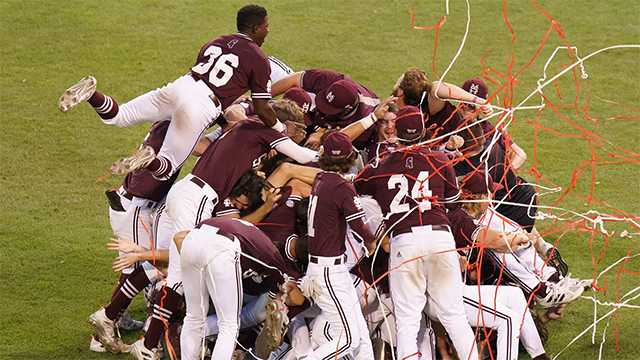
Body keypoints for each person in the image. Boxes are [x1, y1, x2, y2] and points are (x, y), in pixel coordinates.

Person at [58, 4, 285, 180]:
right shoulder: (259, 60)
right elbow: (262, 108)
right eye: (266, 26)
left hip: (180, 86)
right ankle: (148, 159)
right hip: (202, 104)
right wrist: (279, 128)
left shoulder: (216, 41)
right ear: (255, 28)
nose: (268, 30)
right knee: (166, 168)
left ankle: (91, 94)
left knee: (120, 116)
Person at [354, 106, 479, 360]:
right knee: (455, 317)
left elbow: (358, 185)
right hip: (440, 237)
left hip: (404, 241)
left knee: (408, 322)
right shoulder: (440, 160)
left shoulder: (382, 165)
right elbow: (453, 203)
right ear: (423, 130)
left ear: (396, 131)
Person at [174, 217, 304, 360]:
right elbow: (298, 298)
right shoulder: (273, 257)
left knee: (193, 317)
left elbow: (178, 237)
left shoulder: (256, 237)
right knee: (229, 325)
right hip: (224, 245)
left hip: (194, 237)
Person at [301, 131, 377, 359]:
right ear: (350, 158)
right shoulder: (340, 187)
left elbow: (338, 187)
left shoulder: (321, 180)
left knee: (361, 335)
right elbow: (359, 225)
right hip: (329, 271)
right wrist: (371, 242)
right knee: (349, 339)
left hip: (326, 268)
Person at [271, 69, 380, 149]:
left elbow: (339, 146)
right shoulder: (331, 80)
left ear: (347, 110)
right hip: (315, 115)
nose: (323, 111)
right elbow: (295, 79)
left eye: (330, 110)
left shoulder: (366, 117)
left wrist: (323, 137)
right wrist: (261, 99)